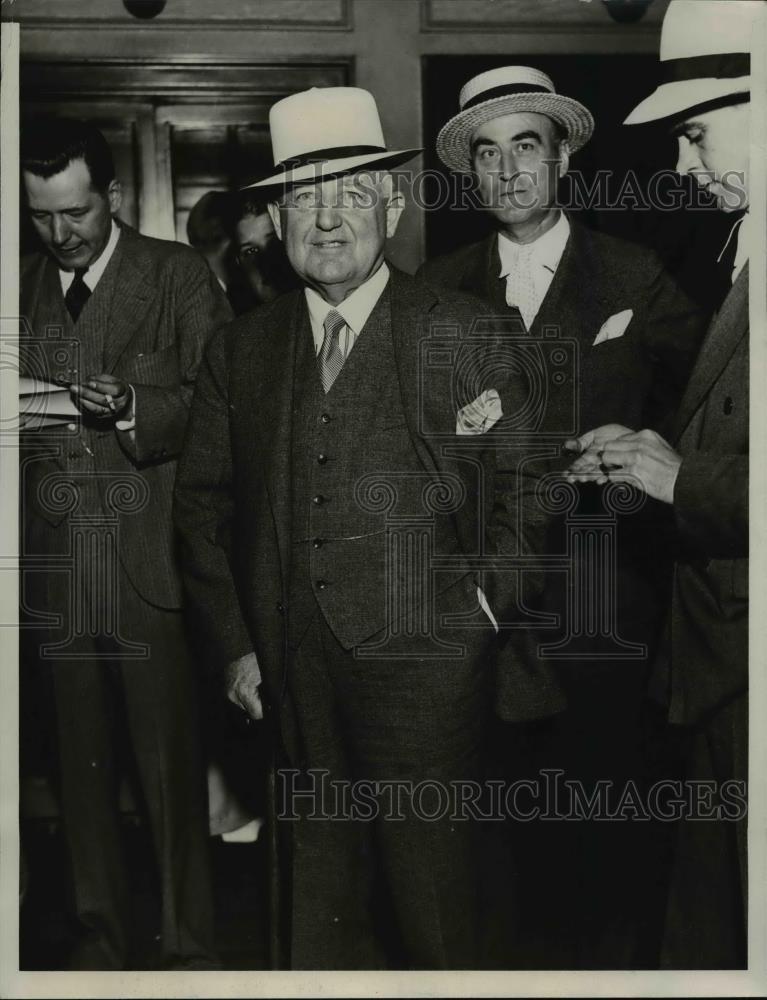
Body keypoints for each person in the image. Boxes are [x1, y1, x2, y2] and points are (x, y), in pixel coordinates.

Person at [174, 85, 533, 970]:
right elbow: (202, 506)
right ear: (276, 215)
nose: (326, 219)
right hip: (289, 682)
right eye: (303, 197)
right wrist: (236, 647)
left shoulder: (463, 329)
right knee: (313, 912)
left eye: (350, 193)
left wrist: (480, 615)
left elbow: (533, 489)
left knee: (436, 913)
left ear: (394, 206)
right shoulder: (241, 350)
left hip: (430, 681)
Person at [418, 65, 707, 967]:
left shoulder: (633, 273)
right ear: (470, 173)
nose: (507, 171)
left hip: (608, 598)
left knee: (608, 828)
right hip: (487, 607)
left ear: (565, 159)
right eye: (488, 154)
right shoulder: (437, 287)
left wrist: (643, 449)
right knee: (495, 832)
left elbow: (710, 407)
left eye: (527, 147)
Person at [565, 0, 758, 969]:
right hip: (718, 655)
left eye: (693, 133)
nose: (682, 168)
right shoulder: (737, 249)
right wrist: (653, 454)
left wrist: (681, 477)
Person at [19, 117, 231, 969]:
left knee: (168, 774)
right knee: (79, 776)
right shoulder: (16, 283)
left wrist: (136, 404)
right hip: (57, 567)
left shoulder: (177, 274)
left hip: (149, 566)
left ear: (110, 196)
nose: (60, 234)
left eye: (74, 213)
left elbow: (220, 407)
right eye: (40, 217)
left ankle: (188, 951)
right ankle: (98, 942)